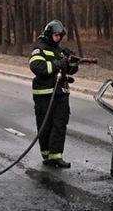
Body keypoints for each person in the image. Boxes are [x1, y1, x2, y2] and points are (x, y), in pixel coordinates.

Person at [29, 20, 79, 168]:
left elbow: (70, 70)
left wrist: (71, 61)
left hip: (61, 93)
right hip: (45, 94)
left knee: (60, 125)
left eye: (60, 36)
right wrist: (58, 64)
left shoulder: (59, 51)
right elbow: (37, 67)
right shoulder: (39, 49)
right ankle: (47, 155)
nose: (58, 38)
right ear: (49, 34)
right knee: (45, 126)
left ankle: (56, 156)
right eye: (56, 35)